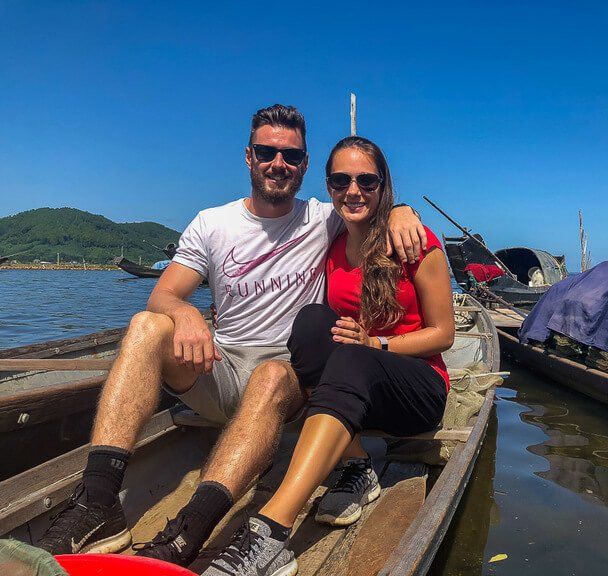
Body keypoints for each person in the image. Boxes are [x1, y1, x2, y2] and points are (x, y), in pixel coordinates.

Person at [36, 105, 426, 567]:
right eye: (267, 151)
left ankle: (192, 528)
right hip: (217, 370)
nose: (278, 163)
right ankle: (97, 501)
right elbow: (162, 295)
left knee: (272, 376)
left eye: (291, 155)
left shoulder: (324, 217)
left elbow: (368, 198)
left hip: (285, 382)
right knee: (146, 325)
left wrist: (402, 209)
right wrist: (185, 313)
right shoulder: (212, 223)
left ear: (304, 165)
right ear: (248, 156)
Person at [201, 136, 455, 576]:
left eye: (366, 180)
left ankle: (271, 531)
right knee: (312, 323)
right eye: (341, 180)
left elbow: (445, 334)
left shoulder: (416, 242)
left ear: (383, 185)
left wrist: (377, 344)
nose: (353, 191)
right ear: (328, 185)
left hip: (417, 386)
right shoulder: (334, 245)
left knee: (354, 356)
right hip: (358, 382)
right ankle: (357, 465)